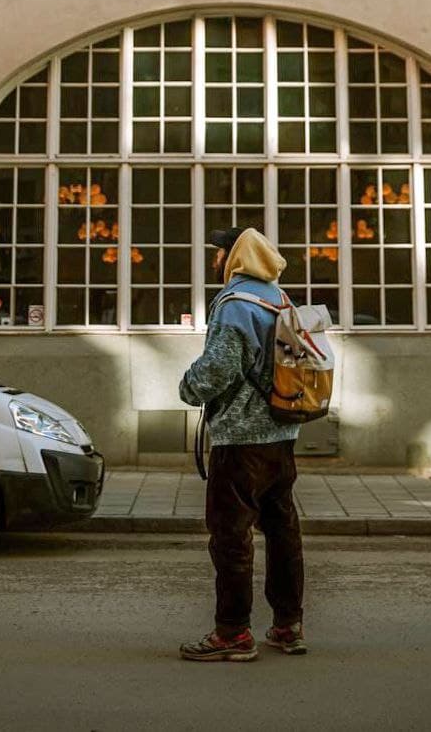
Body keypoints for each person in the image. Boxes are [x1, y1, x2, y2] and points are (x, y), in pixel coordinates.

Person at [178, 226, 307, 662]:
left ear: (232, 257)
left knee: (230, 535)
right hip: (282, 436)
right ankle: (288, 625)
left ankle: (232, 633)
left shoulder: (235, 305)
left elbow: (218, 369)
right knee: (282, 531)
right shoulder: (279, 298)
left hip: (240, 440)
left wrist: (188, 387)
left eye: (217, 253)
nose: (214, 261)